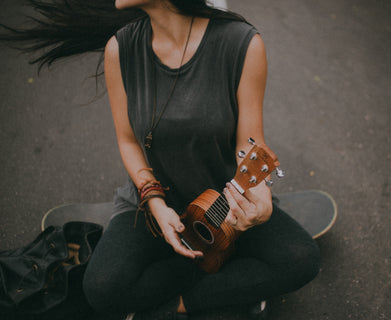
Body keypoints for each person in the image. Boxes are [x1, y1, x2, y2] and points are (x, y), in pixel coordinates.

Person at [1, 1, 321, 319]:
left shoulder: (243, 44)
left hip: (226, 201)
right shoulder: (120, 49)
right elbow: (128, 141)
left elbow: (250, 145)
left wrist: (261, 197)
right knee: (101, 287)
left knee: (301, 259)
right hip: (156, 199)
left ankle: (181, 302)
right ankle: (231, 280)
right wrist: (154, 201)